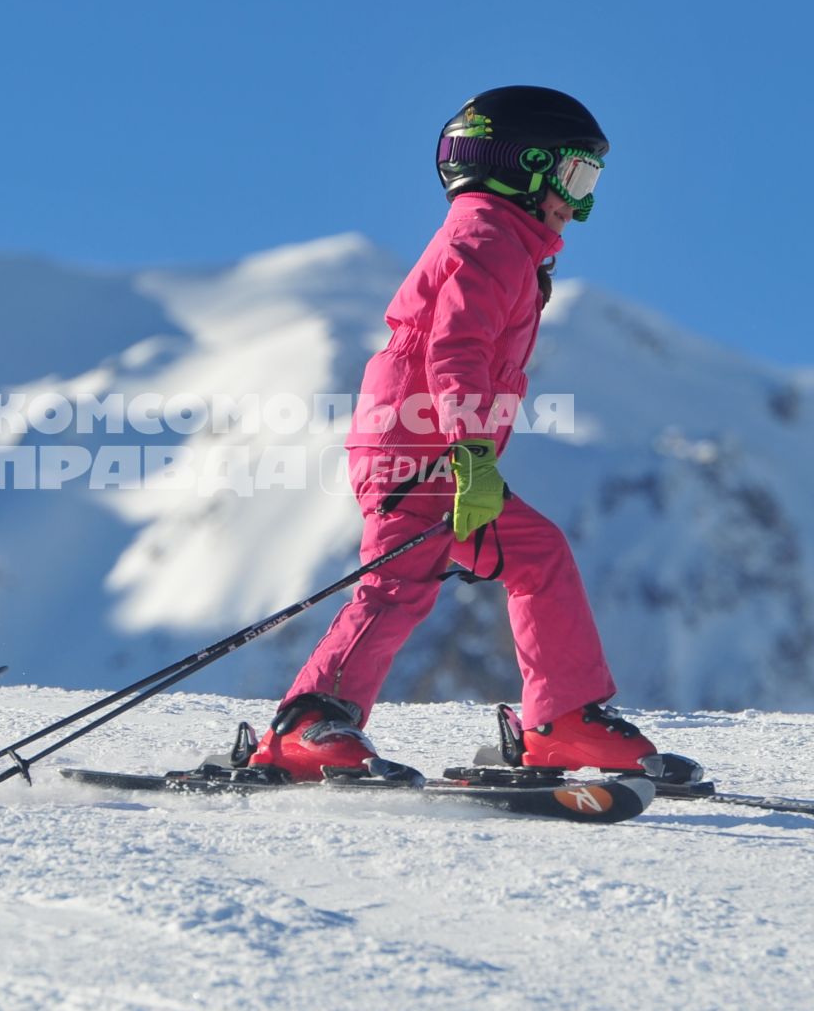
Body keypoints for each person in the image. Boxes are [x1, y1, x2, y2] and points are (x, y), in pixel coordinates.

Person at [245, 86, 658, 779]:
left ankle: (563, 721)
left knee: (535, 556)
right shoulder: (487, 239)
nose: (581, 202)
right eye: (575, 176)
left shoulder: (506, 244)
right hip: (420, 446)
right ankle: (308, 724)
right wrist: (470, 454)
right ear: (522, 166)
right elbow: (455, 350)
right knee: (400, 580)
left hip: (439, 449)